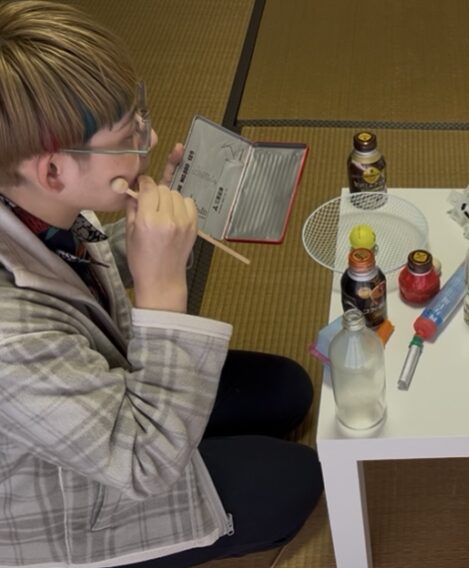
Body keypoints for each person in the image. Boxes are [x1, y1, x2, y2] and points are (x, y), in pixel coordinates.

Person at [0, 2, 323, 566]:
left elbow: (76, 268)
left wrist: (155, 237)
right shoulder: (11, 340)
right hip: (76, 499)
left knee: (286, 388)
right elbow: (143, 465)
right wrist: (164, 288)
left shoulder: (33, 196)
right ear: (52, 170)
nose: (147, 139)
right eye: (129, 135)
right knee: (300, 478)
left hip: (95, 391)